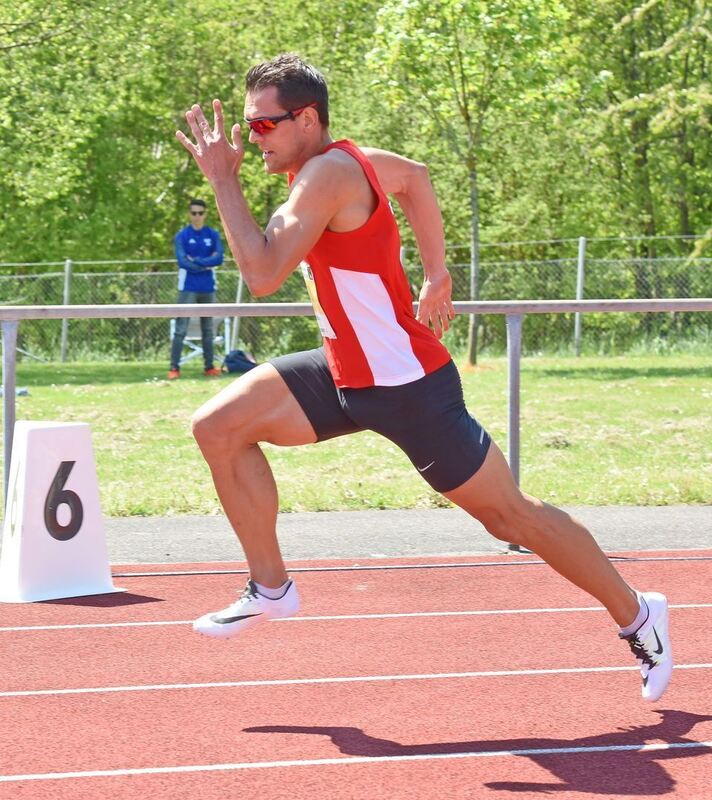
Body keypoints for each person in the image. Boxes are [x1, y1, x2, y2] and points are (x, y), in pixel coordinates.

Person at [175, 54, 672, 702]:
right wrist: (437, 271)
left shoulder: (325, 176)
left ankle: (639, 615)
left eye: (262, 127)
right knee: (218, 427)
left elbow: (263, 274)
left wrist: (222, 182)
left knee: (512, 519)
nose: (249, 140)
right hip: (346, 372)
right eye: (247, 129)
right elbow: (416, 177)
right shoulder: (348, 162)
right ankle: (271, 587)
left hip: (408, 387)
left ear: (306, 119)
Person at [168, 198, 225, 379]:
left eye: (200, 213)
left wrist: (197, 261)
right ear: (189, 214)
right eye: (194, 213)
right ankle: (174, 368)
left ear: (205, 214)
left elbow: (219, 258)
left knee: (208, 329)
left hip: (208, 287)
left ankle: (209, 367)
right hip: (188, 288)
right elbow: (182, 261)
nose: (197, 216)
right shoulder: (182, 236)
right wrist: (205, 263)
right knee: (180, 329)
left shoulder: (213, 235)